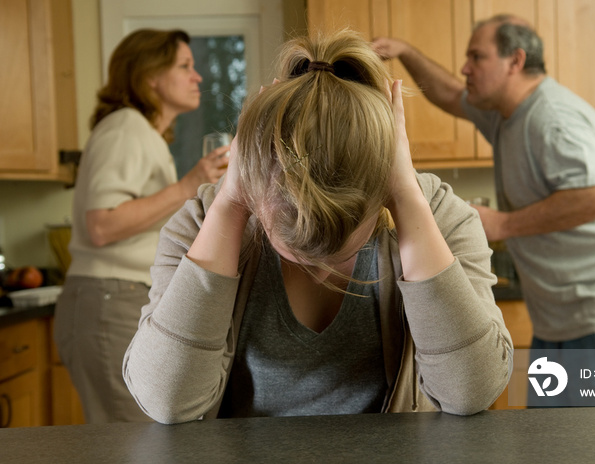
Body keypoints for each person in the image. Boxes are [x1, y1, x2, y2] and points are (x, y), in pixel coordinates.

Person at [122, 29, 513, 424]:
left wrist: (406, 196)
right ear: (255, 190)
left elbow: (470, 391)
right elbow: (166, 401)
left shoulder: (438, 215)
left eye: (340, 242)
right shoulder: (203, 220)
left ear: (381, 191)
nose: (319, 266)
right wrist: (229, 204)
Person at [373, 15, 595, 406]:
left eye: (476, 57)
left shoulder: (550, 116)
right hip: (563, 317)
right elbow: (450, 93)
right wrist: (403, 51)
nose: (465, 67)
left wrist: (503, 224)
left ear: (515, 61)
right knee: (551, 444)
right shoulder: (505, 113)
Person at [54, 29, 227, 423]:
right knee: (131, 440)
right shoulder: (125, 127)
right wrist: (187, 184)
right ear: (149, 76)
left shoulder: (143, 134)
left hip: (116, 297)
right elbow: (101, 224)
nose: (197, 76)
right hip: (109, 300)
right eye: (184, 66)